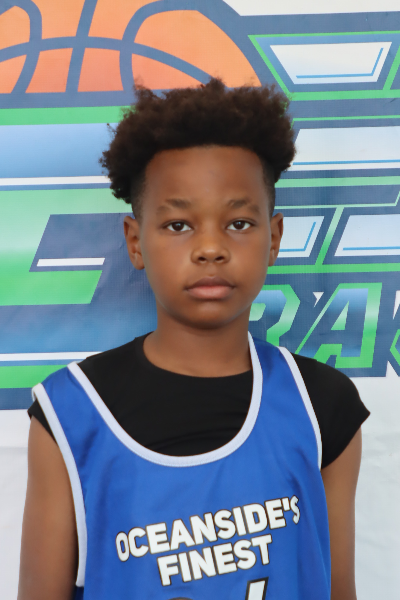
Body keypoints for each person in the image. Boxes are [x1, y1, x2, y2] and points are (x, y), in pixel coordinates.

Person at [18, 79, 369, 600]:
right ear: (136, 242)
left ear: (274, 238)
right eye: (179, 225)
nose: (210, 248)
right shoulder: (71, 414)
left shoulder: (323, 405)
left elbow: (334, 585)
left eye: (239, 223)